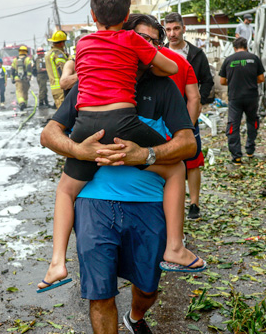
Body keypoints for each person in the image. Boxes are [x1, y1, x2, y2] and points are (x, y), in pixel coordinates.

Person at [39, 0, 205, 295]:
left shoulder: (84, 45)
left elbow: (67, 80)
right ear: (127, 15)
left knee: (64, 190)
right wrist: (149, 55)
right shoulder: (132, 42)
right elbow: (171, 67)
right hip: (122, 120)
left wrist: (83, 149)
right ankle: (175, 248)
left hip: (89, 124)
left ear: (92, 14)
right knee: (177, 169)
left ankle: (57, 263)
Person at [40, 55, 197, 333]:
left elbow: (188, 145)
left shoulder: (163, 87)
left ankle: (135, 317)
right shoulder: (90, 83)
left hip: (148, 204)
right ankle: (57, 263)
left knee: (148, 289)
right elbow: (49, 133)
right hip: (94, 203)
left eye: (150, 44)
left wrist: (146, 154)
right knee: (100, 295)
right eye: (137, 41)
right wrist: (78, 150)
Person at [165, 12, 215, 220]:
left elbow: (208, 81)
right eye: (168, 29)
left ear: (184, 29)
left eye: (176, 28)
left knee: (193, 160)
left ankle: (194, 203)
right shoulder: (159, 53)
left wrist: (198, 101)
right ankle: (169, 203)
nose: (172, 33)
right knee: (166, 158)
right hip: (166, 114)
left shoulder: (196, 54)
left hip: (189, 115)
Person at [219, 37, 265, 165]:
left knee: (234, 125)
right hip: (251, 97)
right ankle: (250, 150)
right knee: (252, 121)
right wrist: (249, 80)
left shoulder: (228, 60)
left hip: (235, 98)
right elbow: (261, 78)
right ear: (246, 46)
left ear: (234, 48)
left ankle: (237, 157)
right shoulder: (254, 58)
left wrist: (234, 81)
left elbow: (222, 81)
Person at [46, 30, 69, 108]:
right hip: (61, 87)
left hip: (54, 88)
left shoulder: (49, 53)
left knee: (60, 109)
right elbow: (64, 70)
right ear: (62, 43)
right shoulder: (58, 54)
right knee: (64, 112)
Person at [11, 46, 33, 110]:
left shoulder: (15, 60)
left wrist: (12, 78)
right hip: (25, 78)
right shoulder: (27, 59)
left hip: (17, 78)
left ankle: (21, 102)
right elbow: (29, 68)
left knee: (19, 91)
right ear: (26, 52)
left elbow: (12, 69)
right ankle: (25, 103)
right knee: (25, 91)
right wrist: (29, 76)